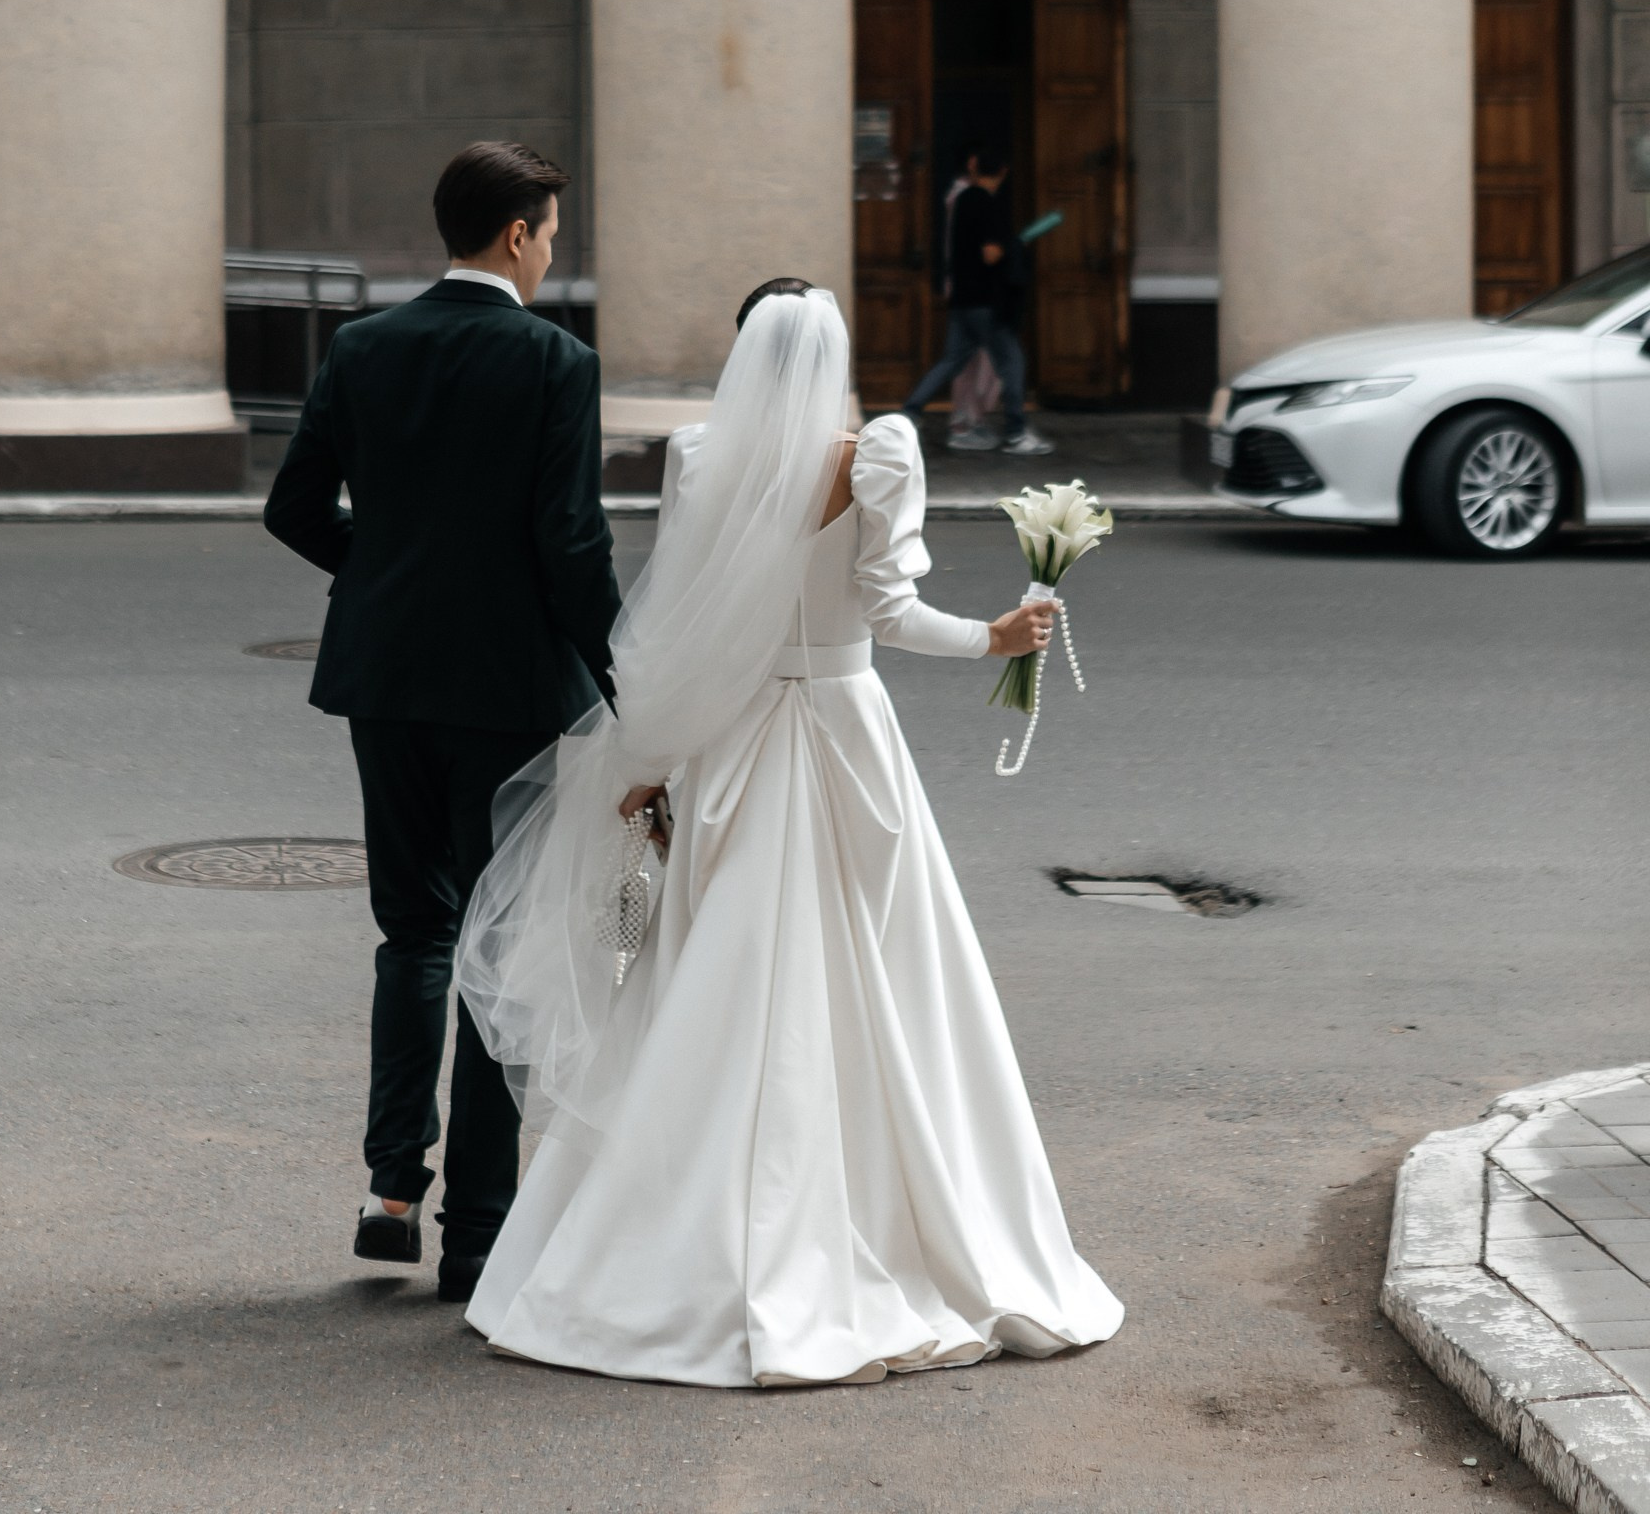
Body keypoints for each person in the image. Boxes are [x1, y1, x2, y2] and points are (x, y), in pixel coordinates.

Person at [455, 280, 1122, 1388]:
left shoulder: (697, 459)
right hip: (845, 733)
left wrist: (648, 760)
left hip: (732, 734)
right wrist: (994, 637)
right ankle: (887, 1221)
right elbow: (889, 614)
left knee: (708, 976)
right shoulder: (878, 456)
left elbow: (677, 622)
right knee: (883, 971)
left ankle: (650, 1249)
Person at [262, 140, 620, 1304]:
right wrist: (629, 676)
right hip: (510, 692)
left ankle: (388, 1195)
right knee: (499, 948)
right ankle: (477, 1233)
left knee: (411, 933)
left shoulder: (362, 347)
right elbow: (571, 544)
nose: (550, 252)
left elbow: (292, 507)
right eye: (549, 234)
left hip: (385, 679)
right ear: (516, 236)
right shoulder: (556, 362)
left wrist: (381, 577)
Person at [904, 150, 1052, 457]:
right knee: (1013, 363)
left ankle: (909, 413)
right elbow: (991, 254)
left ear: (975, 168)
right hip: (987, 301)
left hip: (963, 299)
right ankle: (1016, 433)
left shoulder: (963, 200)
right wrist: (1016, 244)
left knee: (951, 361)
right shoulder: (989, 203)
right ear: (1004, 171)